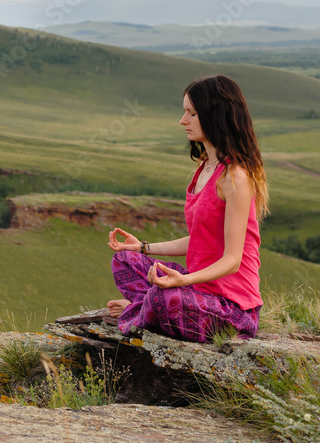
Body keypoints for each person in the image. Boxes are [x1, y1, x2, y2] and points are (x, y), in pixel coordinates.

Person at [105, 75, 269, 342]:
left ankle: (139, 310)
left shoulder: (235, 177)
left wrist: (182, 281)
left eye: (192, 114)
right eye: (185, 113)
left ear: (215, 115)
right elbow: (200, 241)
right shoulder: (204, 168)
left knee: (163, 295)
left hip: (232, 310)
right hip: (197, 288)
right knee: (124, 260)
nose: (183, 121)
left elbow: (232, 260)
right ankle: (149, 307)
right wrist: (143, 247)